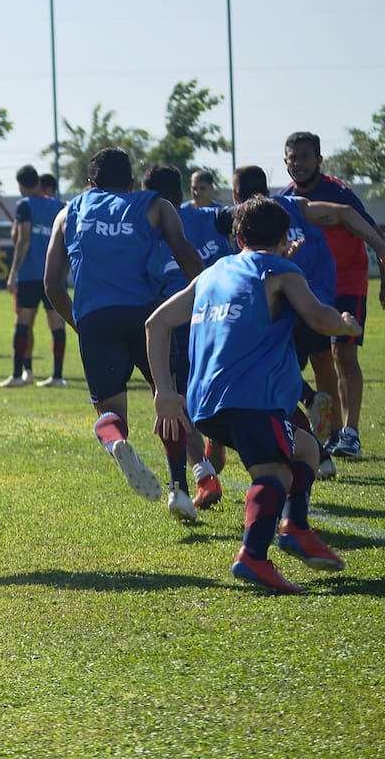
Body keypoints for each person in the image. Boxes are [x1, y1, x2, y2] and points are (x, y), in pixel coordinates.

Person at [147, 195, 360, 593]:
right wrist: (346, 324)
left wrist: (163, 390)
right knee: (275, 471)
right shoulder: (280, 270)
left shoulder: (211, 274)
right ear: (285, 237)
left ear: (236, 237)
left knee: (307, 450)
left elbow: (156, 323)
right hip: (250, 398)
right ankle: (253, 557)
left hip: (205, 405)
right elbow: (318, 316)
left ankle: (295, 526)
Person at [44, 147, 204, 521]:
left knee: (111, 413)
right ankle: (179, 489)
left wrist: (81, 325)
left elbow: (52, 284)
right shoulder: (155, 205)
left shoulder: (69, 212)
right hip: (149, 316)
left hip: (96, 318)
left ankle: (115, 441)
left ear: (90, 183)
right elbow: (188, 257)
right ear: (131, 183)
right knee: (167, 398)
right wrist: (207, 297)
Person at [221, 164, 385, 481]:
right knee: (323, 362)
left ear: (236, 194)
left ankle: (314, 437)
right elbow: (345, 213)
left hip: (280, 307)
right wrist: (377, 244)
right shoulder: (295, 205)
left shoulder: (239, 219)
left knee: (276, 380)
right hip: (318, 300)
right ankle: (335, 434)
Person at [280, 131, 384, 460]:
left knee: (343, 354)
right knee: (319, 358)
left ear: (319, 160)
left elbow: (371, 234)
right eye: (292, 158)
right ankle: (332, 431)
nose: (298, 164)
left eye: (305, 157)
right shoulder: (285, 200)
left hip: (348, 284)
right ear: (285, 161)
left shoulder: (339, 193)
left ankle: (351, 433)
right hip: (310, 290)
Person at [141, 165, 231, 509]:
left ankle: (202, 475)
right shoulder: (209, 217)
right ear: (181, 194)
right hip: (216, 319)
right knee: (216, 389)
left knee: (171, 399)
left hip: (171, 323)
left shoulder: (144, 229)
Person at [1, 165, 68, 388]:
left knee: (23, 322)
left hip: (30, 273)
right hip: (54, 274)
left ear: (20, 185)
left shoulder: (24, 205)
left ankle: (18, 374)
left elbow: (24, 239)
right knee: (56, 323)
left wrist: (12, 273)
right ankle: (57, 376)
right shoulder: (58, 205)